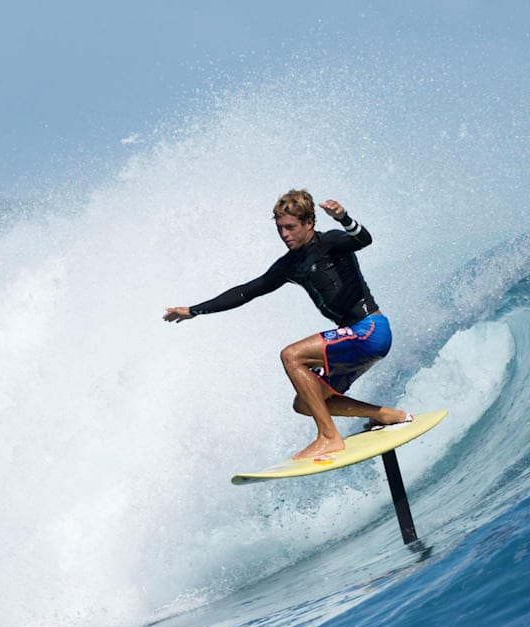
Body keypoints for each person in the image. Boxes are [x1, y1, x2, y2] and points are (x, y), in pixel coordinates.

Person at [164, 190, 410, 461]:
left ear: (309, 223)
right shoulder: (289, 265)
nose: (284, 234)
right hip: (353, 339)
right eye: (280, 228)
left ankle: (329, 437)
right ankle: (386, 415)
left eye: (291, 227)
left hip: (370, 330)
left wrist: (344, 218)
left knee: (291, 355)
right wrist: (194, 310)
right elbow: (247, 291)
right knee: (306, 402)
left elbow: (364, 239)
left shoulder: (330, 242)